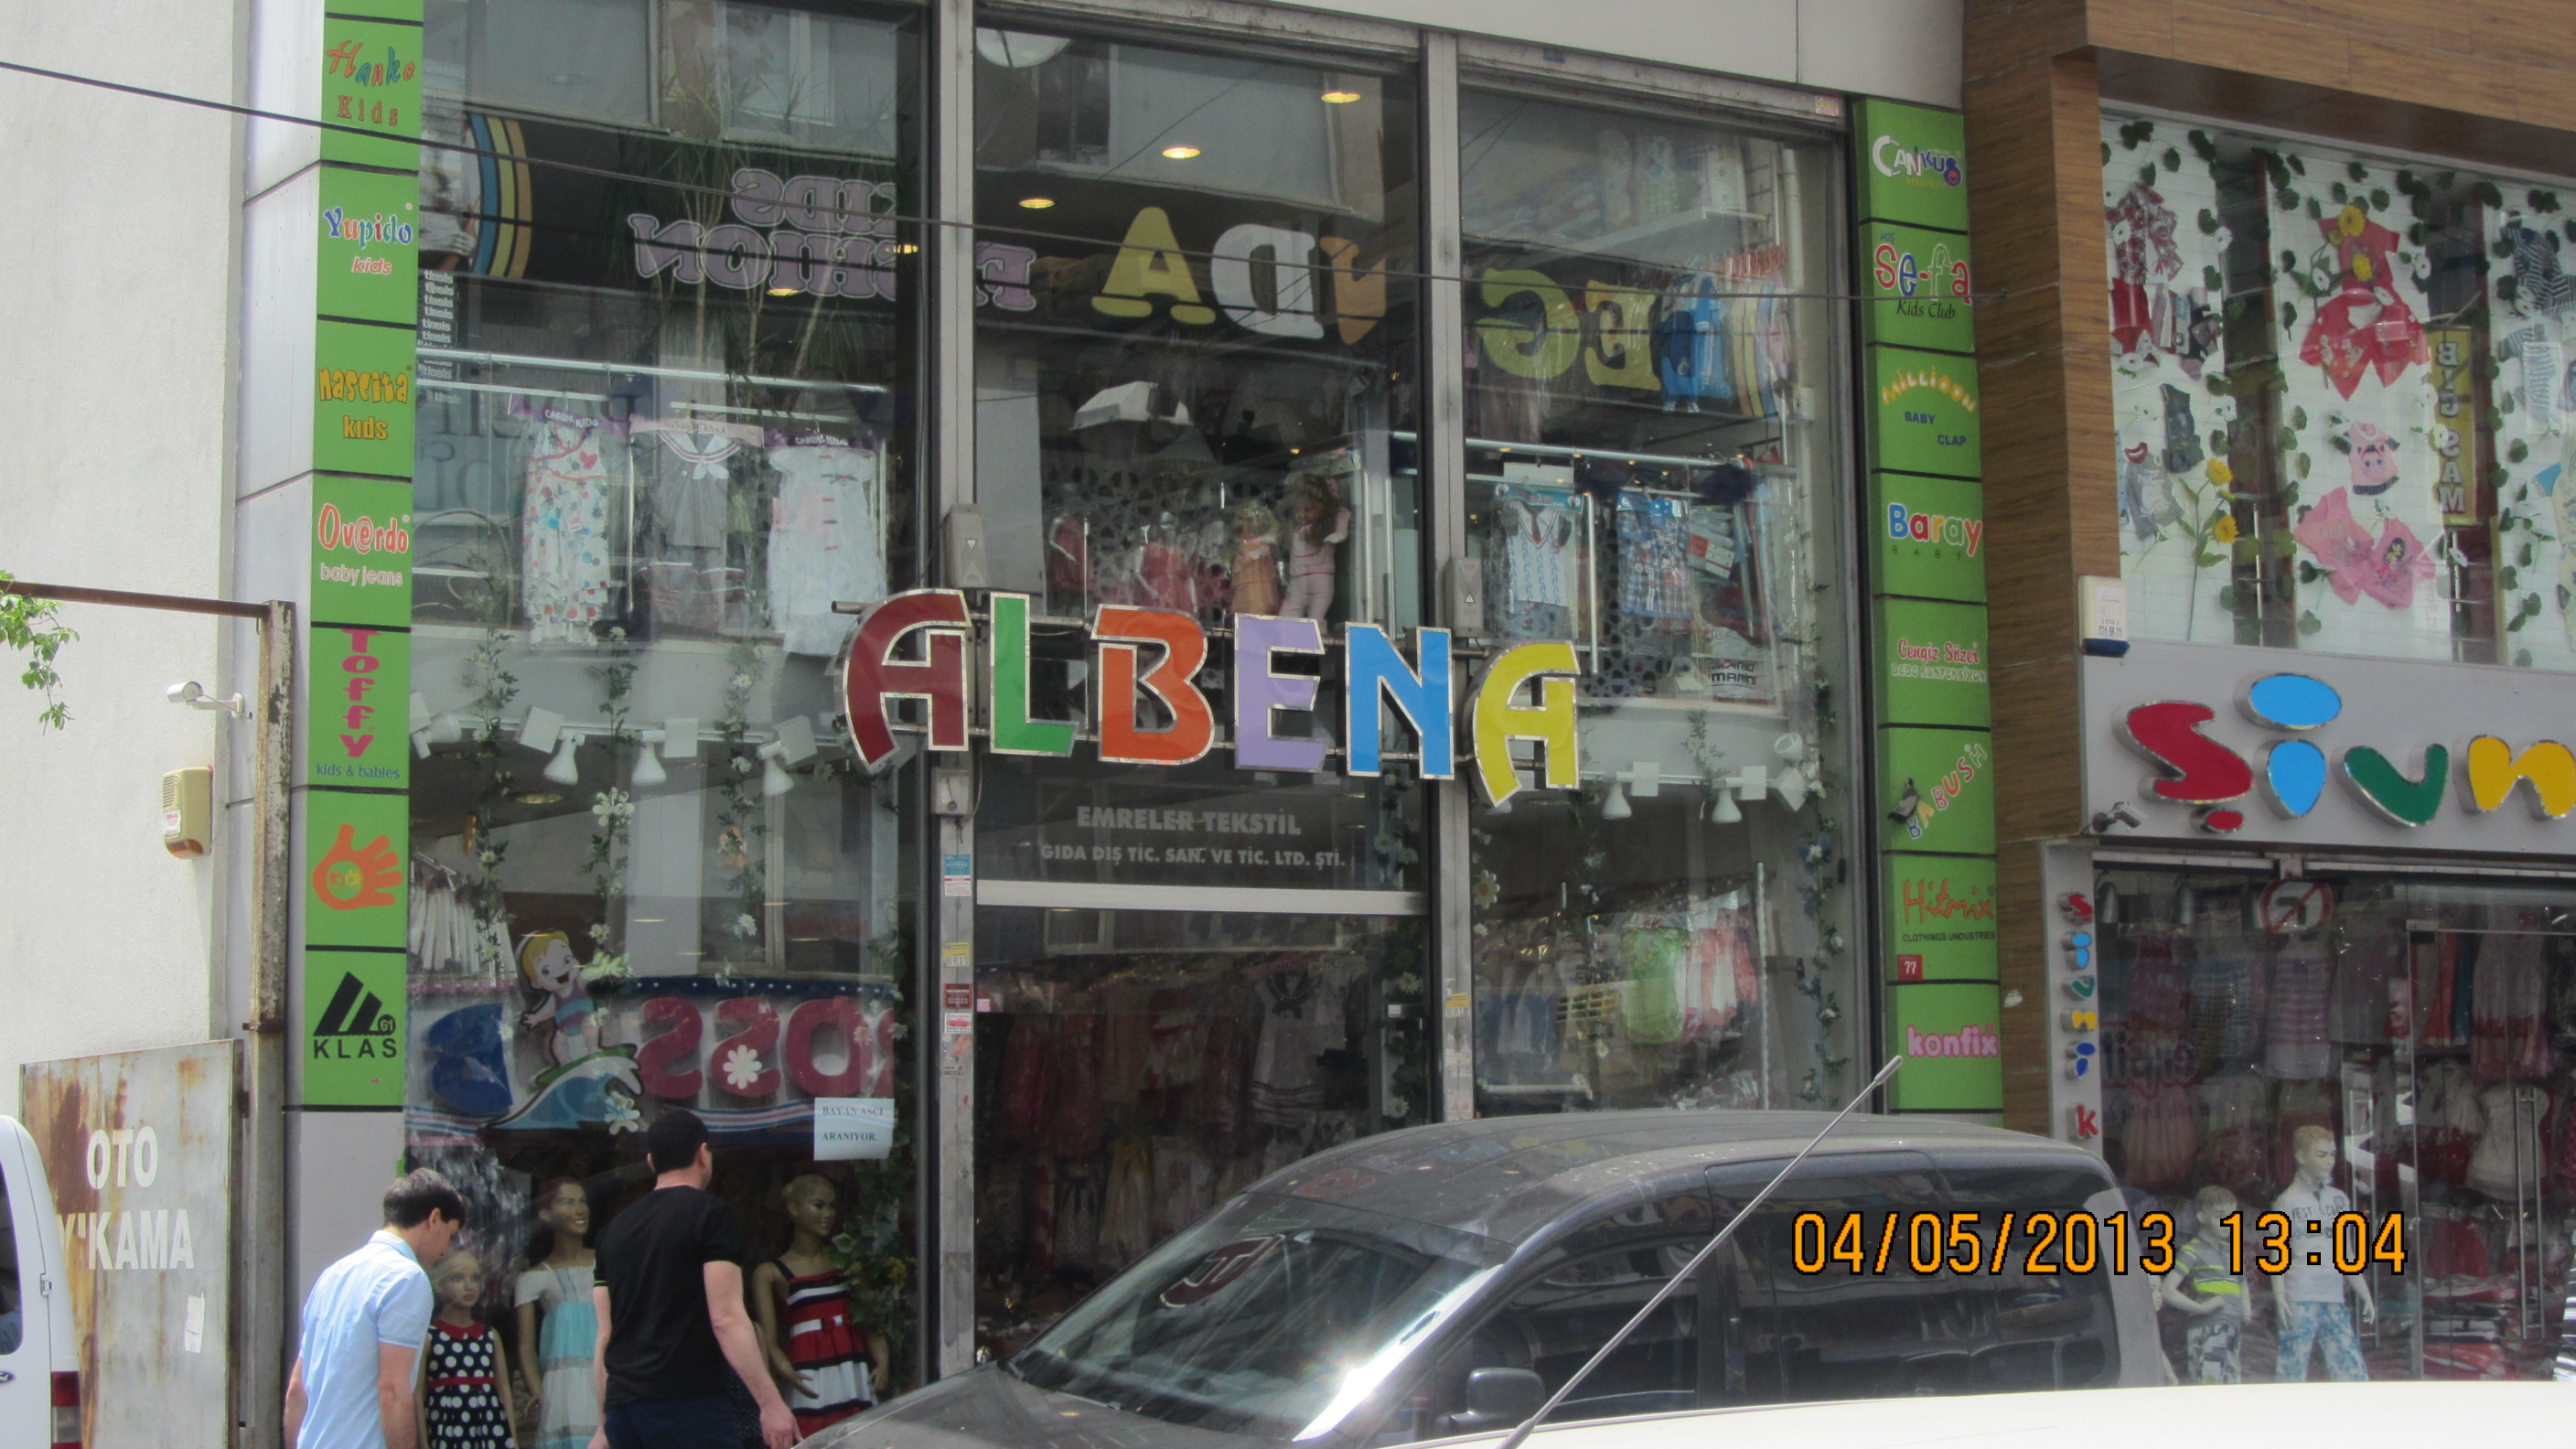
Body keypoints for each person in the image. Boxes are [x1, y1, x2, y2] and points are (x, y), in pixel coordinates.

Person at [588, 1111, 796, 1449]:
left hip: (624, 1410)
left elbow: (605, 1337)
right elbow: (726, 1317)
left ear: (652, 1162)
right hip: (688, 1406)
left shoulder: (611, 1233)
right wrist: (770, 1404)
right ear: (703, 1154)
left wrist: (603, 1427)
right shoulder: (712, 1217)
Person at [285, 1168, 467, 1449]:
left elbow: (297, 1390)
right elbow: (393, 1390)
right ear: (434, 1219)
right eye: (451, 1235)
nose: (446, 1250)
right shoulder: (406, 1278)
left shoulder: (333, 1275)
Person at [750, 1175, 885, 1437]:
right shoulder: (770, 1273)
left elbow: (870, 1314)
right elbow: (768, 1339)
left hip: (851, 1370)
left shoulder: (847, 1261)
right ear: (794, 1208)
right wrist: (784, 1368)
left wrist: (882, 1360)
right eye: (819, 1205)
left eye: (832, 1206)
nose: (828, 1214)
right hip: (807, 1374)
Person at [2271, 1124, 2375, 1381]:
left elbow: (2346, 1254)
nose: (2329, 1161)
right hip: (2300, 1294)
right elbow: (2277, 1255)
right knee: (2293, 1366)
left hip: (2333, 1294)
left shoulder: (2339, 1200)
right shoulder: (2286, 1202)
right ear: (2301, 1157)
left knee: (2349, 1366)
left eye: (2332, 1154)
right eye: (2321, 1155)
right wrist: (2279, 1295)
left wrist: (2364, 1293)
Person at [516, 1178, 600, 1449]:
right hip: (561, 1389)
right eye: (568, 1202)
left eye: (583, 1201)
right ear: (546, 1214)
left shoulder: (606, 1262)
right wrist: (537, 1390)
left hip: (606, 1378)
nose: (580, 1209)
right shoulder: (533, 1278)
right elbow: (525, 1347)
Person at [420, 1251, 517, 1449]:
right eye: (457, 1278)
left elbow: (504, 1389)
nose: (469, 1286)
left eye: (475, 1278)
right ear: (438, 1285)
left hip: (490, 1426)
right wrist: (423, 1444)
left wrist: (512, 1439)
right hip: (447, 1428)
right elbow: (418, 1394)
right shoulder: (429, 1338)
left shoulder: (490, 1336)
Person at [2156, 1185, 2248, 1383]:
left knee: (2232, 1386)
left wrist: (2245, 1309)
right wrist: (2201, 1309)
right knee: (2209, 1385)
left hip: (2232, 1328)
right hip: (2207, 1330)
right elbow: (2168, 1290)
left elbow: (2241, 1282)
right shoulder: (2192, 1251)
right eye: (2219, 1216)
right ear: (2201, 1217)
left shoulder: (2231, 1251)